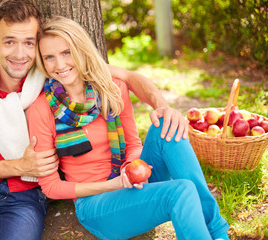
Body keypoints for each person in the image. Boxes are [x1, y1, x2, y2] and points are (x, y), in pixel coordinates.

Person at [0, 0, 189, 239]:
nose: (20, 54)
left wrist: (162, 105)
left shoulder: (52, 69)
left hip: (27, 197)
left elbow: (126, 77)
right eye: (9, 42)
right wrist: (19, 165)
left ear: (37, 44)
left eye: (28, 42)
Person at [28, 15, 230, 240]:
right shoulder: (42, 109)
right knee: (181, 191)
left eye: (66, 52)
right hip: (97, 205)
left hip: (130, 181)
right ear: (42, 62)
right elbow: (51, 187)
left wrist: (130, 166)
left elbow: (133, 143)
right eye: (49, 57)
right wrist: (113, 185)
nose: (60, 64)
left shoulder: (110, 87)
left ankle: (218, 234)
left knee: (166, 123)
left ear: (80, 49)